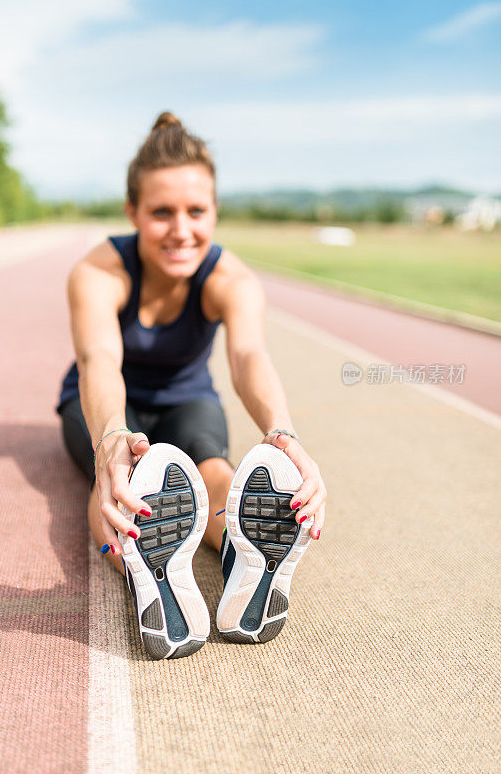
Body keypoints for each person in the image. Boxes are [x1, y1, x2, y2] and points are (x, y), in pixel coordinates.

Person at [56, 112, 327, 658]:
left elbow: (249, 355)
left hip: (187, 398)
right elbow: (99, 358)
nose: (182, 230)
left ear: (215, 211)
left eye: (196, 211)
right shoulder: (98, 272)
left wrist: (284, 435)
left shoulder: (232, 279)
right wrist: (110, 437)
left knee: (216, 471)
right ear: (132, 212)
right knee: (119, 482)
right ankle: (142, 571)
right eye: (161, 213)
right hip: (103, 405)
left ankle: (242, 555)